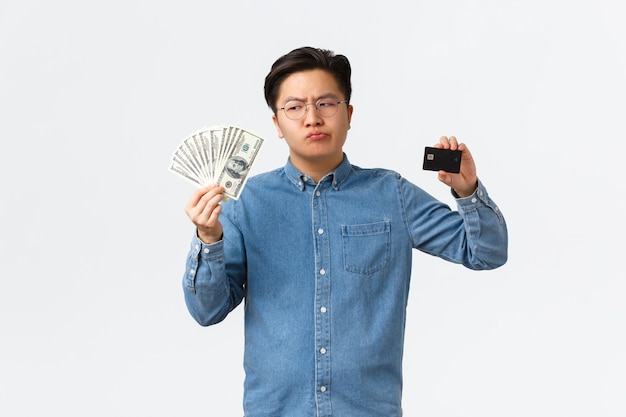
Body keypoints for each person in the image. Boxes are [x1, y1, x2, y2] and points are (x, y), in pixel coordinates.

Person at [181, 46, 508, 417]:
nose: (312, 118)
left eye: (326, 104)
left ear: (349, 115)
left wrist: (467, 191)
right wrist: (209, 240)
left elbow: (487, 253)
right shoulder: (246, 202)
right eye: (295, 107)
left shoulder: (391, 194)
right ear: (276, 123)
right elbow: (206, 311)